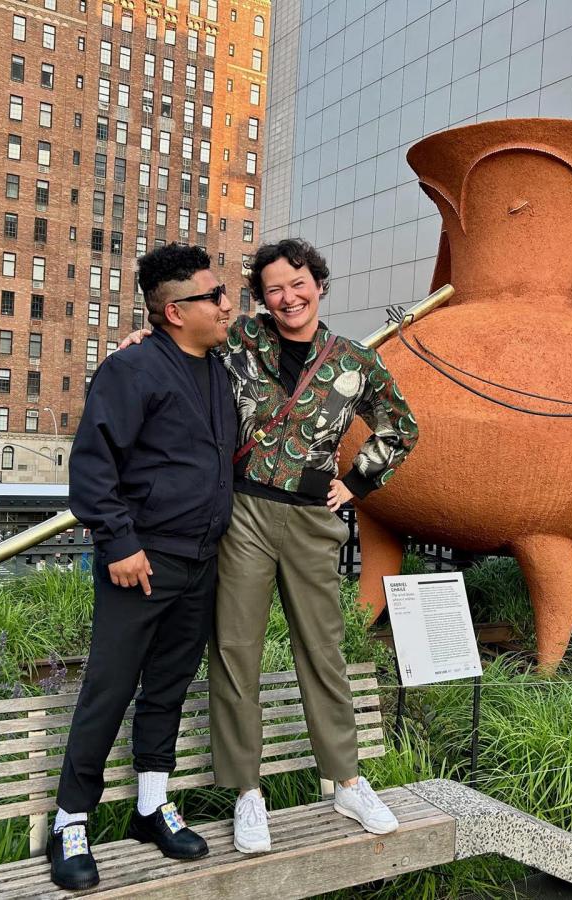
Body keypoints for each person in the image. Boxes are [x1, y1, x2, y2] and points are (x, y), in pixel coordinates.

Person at [122, 239, 418, 854]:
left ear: (319, 283)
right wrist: (137, 348)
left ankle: (345, 779)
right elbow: (181, 343)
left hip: (313, 519)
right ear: (262, 296)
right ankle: (246, 792)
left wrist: (357, 480)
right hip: (246, 511)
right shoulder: (243, 341)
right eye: (275, 288)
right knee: (236, 651)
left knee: (323, 651)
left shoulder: (356, 362)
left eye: (298, 282)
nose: (289, 297)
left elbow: (401, 426)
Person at [48, 244, 235, 890]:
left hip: (199, 562)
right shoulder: (131, 370)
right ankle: (70, 820)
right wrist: (119, 544)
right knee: (109, 688)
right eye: (214, 296)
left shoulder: (220, 367)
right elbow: (93, 466)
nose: (226, 303)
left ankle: (152, 805)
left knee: (168, 687)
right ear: (175, 311)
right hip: (141, 563)